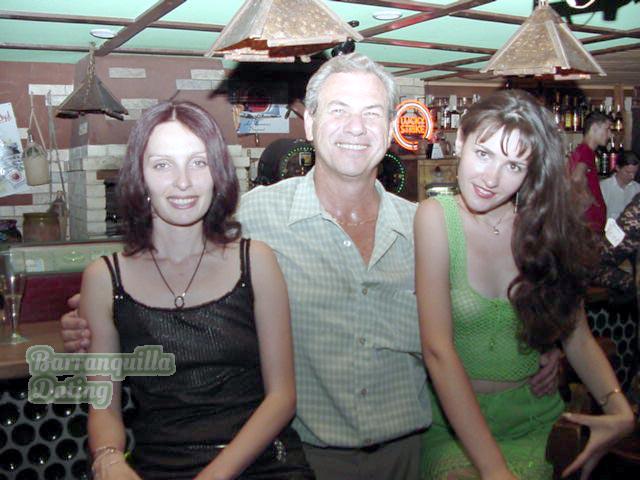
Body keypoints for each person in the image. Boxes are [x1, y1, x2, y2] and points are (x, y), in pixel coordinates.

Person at [61, 53, 559, 480]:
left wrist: (541, 343)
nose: (356, 128)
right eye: (338, 110)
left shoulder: (428, 229)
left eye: (372, 113)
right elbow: (168, 276)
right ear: (310, 123)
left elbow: (480, 311)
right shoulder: (249, 219)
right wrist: (91, 317)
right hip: (300, 459)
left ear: (391, 128)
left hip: (413, 454)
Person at [82, 101, 314, 480]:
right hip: (157, 466)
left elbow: (282, 397)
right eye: (162, 165)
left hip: (263, 464)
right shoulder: (103, 279)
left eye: (198, 162)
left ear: (217, 174)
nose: (183, 181)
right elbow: (103, 405)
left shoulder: (256, 261)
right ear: (140, 177)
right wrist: (108, 459)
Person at [415, 90, 634, 480]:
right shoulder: (435, 217)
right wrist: (495, 470)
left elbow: (578, 336)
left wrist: (619, 409)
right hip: (454, 428)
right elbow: (437, 351)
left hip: (536, 418)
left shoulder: (543, 228)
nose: (491, 179)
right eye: (484, 154)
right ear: (461, 142)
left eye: (514, 165)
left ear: (531, 171)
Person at [568, 111, 611, 233]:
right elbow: (576, 178)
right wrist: (591, 200)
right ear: (594, 128)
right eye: (607, 129)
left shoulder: (585, 151)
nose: (610, 134)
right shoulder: (585, 151)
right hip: (588, 227)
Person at [599, 150, 640, 221]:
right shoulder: (603, 187)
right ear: (617, 168)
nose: (632, 176)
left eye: (635, 172)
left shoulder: (638, 188)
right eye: (628, 172)